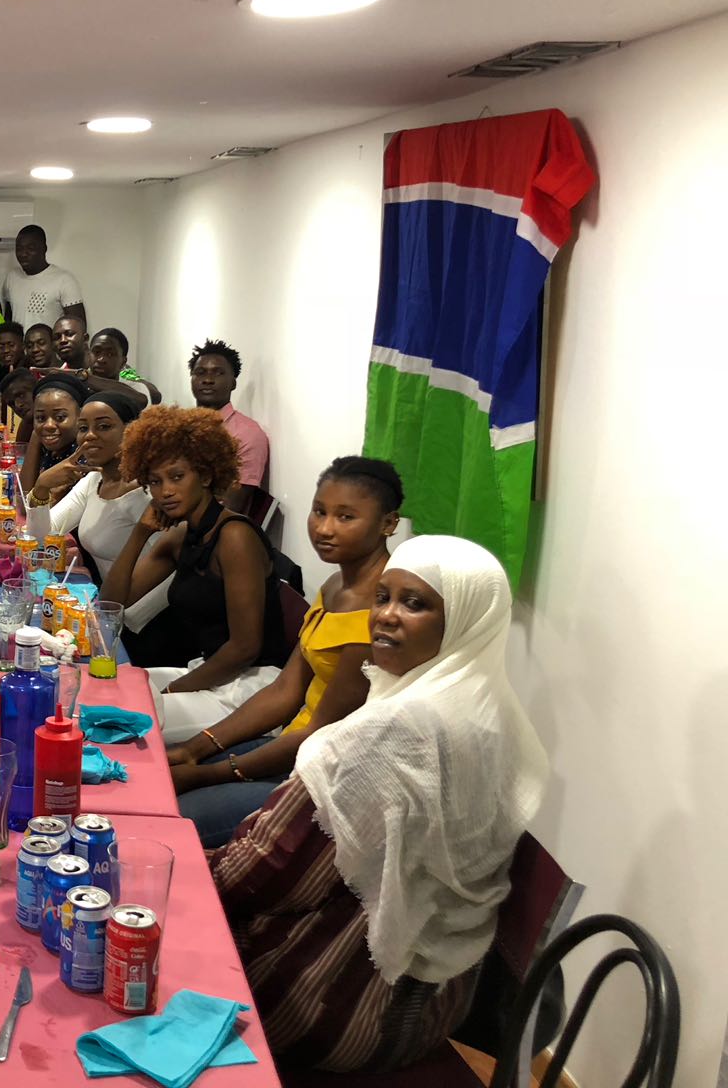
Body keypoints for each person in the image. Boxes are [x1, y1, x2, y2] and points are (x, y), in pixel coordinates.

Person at [209, 536, 548, 1072]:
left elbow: (261, 877)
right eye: (383, 597)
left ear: (463, 619)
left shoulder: (398, 730)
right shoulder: (491, 714)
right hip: (435, 1003)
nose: (385, 617)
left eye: (415, 603)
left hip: (328, 1003)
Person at [164, 458, 403, 844]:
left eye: (346, 517)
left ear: (388, 524)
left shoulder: (380, 614)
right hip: (289, 746)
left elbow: (320, 732)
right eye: (319, 511)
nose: (325, 529)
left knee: (172, 817)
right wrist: (196, 748)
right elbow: (285, 690)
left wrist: (209, 772)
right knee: (161, 771)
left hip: (319, 777)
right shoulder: (336, 584)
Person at [102, 407, 291, 763]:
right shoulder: (184, 534)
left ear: (205, 475)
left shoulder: (235, 537)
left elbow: (245, 648)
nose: (165, 492)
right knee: (110, 687)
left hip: (250, 686)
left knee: (127, 721)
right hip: (210, 671)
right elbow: (112, 603)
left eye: (177, 477)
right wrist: (140, 532)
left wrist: (174, 690)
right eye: (155, 482)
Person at [26, 392, 156, 584]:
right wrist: (42, 486)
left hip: (136, 606)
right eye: (83, 428)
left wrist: (113, 613)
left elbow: (165, 578)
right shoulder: (95, 480)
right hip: (106, 599)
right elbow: (41, 538)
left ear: (132, 430)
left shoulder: (147, 494)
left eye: (103, 427)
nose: (90, 436)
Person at [189, 338, 269, 513]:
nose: (208, 380)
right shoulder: (180, 425)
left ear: (233, 383)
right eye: (200, 372)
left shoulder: (247, 434)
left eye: (218, 373)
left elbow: (231, 505)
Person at [4, 224, 86, 330]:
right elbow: (8, 320)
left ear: (44, 248)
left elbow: (78, 328)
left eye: (30, 248)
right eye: (19, 249)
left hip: (49, 347)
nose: (23, 254)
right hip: (20, 347)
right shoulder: (12, 278)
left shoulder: (64, 280)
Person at [17, 373, 88, 494]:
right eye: (40, 417)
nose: (49, 425)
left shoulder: (84, 457)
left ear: (80, 416)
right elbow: (23, 497)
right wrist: (36, 434)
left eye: (60, 417)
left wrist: (42, 483)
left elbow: (33, 508)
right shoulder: (52, 447)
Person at [88, 327, 162, 404]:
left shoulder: (137, 390)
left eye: (110, 354)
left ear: (123, 362)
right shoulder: (79, 382)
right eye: (97, 352)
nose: (101, 359)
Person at [0, 320, 26, 390]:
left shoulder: (32, 371)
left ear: (23, 345)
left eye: (11, 345)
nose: (6, 350)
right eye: (1, 346)